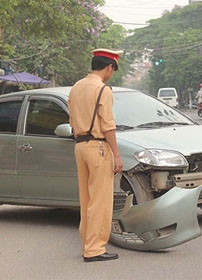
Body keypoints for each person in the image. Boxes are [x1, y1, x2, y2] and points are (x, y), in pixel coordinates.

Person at [68, 48, 124, 262]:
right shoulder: (103, 90)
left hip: (80, 146)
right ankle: (95, 249)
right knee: (100, 201)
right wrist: (117, 156)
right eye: (113, 70)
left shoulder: (76, 88)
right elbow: (108, 126)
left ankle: (87, 244)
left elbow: (72, 121)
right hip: (98, 147)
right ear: (109, 67)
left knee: (86, 199)